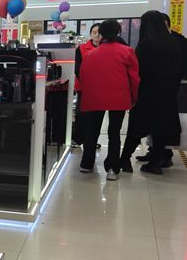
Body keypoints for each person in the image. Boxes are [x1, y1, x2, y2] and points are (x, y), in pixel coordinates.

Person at [120, 10, 184, 174]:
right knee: (160, 129)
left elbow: (139, 71)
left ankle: (124, 159)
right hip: (168, 93)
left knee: (136, 128)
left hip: (147, 93)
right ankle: (155, 163)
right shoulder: (174, 43)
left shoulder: (146, 44)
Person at [78, 19, 139, 180]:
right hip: (119, 97)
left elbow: (83, 76)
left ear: (101, 34)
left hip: (95, 97)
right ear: (118, 32)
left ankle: (86, 163)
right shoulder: (127, 51)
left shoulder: (90, 54)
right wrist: (134, 97)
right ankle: (112, 168)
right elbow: (134, 78)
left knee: (92, 130)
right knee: (114, 132)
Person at [136, 13, 187, 166]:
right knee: (162, 123)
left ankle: (158, 158)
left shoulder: (149, 43)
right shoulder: (174, 41)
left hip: (153, 90)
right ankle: (156, 154)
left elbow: (142, 69)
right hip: (170, 89)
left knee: (155, 124)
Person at [72, 23, 101, 147]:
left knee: (96, 117)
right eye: (94, 32)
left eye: (100, 33)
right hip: (84, 87)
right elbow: (77, 68)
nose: (97, 35)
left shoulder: (105, 49)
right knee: (82, 114)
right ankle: (78, 139)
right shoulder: (82, 49)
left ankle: (92, 141)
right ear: (90, 34)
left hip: (100, 89)